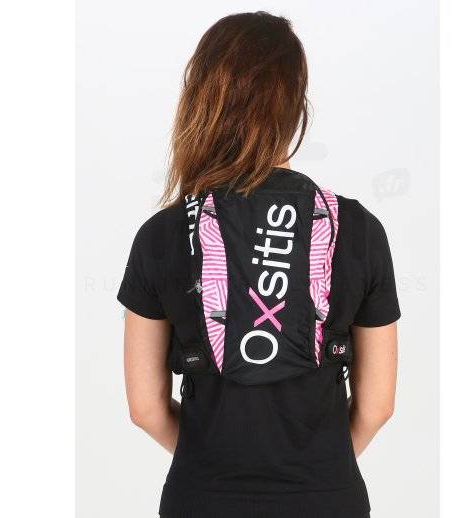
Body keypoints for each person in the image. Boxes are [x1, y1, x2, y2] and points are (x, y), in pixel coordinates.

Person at [118, 11, 399, 518]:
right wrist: (321, 469)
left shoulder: (161, 235)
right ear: (295, 105)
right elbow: (378, 404)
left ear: (203, 99)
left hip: (202, 500)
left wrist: (210, 468)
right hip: (326, 499)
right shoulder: (358, 230)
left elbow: (145, 408)